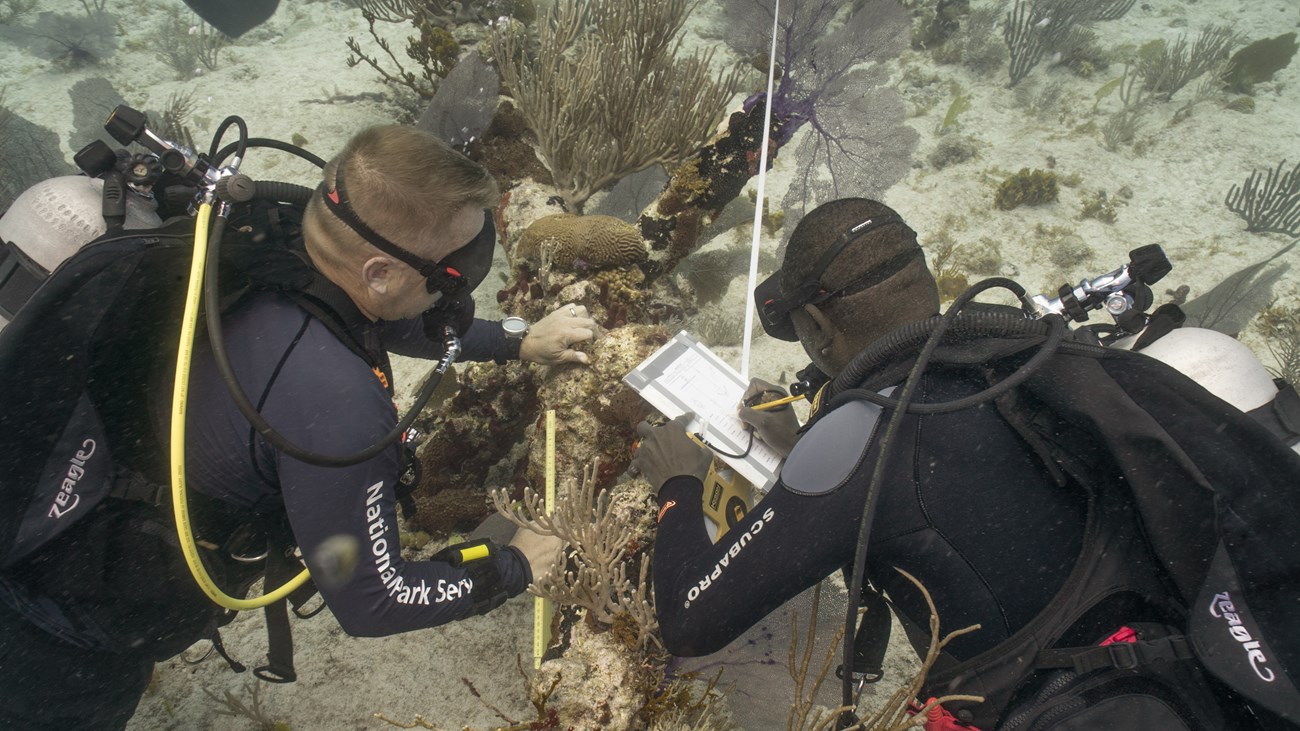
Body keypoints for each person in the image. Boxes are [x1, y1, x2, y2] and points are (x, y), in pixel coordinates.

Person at [0, 125, 592, 729]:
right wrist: (517, 564)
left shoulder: (273, 238)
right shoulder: (340, 410)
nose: (460, 285)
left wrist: (512, 342)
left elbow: (372, 315)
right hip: (59, 625)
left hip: (49, 496)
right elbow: (374, 600)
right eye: (453, 271)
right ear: (381, 271)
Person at [633, 198, 1294, 729]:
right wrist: (803, 443)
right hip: (1201, 672)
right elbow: (942, 487)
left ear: (815, 327)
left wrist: (678, 481)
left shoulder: (862, 441)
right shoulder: (1017, 357)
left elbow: (693, 615)